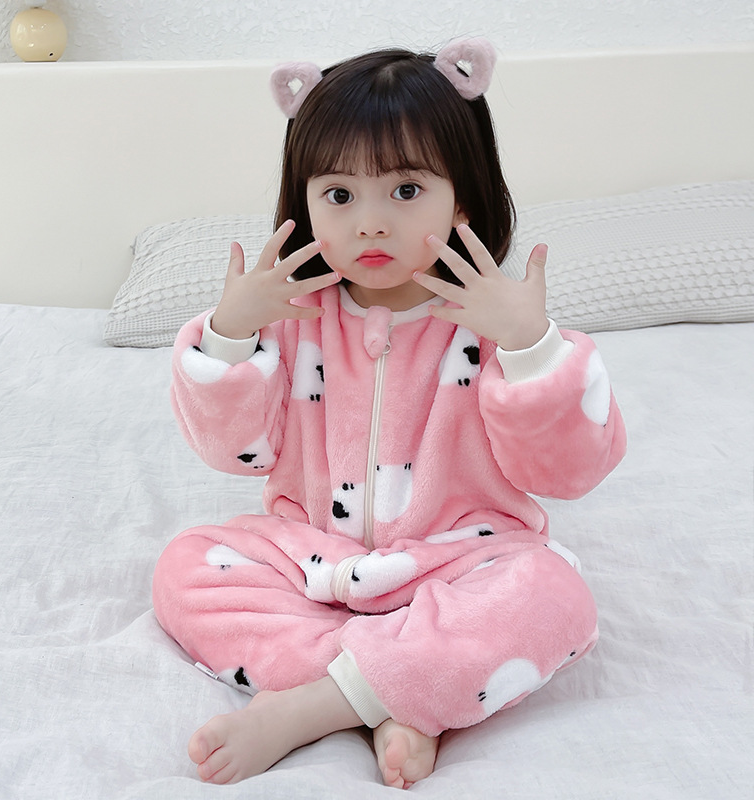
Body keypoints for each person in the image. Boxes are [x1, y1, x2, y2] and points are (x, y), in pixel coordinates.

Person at [152, 37, 626, 789]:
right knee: (186, 568)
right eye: (340, 196)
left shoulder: (495, 324)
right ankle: (399, 688)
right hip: (314, 561)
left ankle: (316, 704)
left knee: (554, 594)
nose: (370, 223)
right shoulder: (291, 317)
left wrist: (532, 348)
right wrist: (229, 337)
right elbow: (234, 449)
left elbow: (568, 471)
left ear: (461, 197)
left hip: (458, 563)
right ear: (305, 202)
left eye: (405, 190)